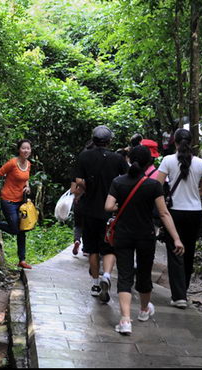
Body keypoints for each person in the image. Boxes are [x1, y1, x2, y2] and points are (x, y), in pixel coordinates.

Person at [105, 144, 185, 335]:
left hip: (123, 235)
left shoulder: (118, 182)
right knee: (144, 273)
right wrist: (176, 239)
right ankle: (143, 310)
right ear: (150, 162)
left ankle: (125, 320)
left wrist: (120, 205)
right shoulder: (153, 185)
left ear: (129, 160)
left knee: (124, 276)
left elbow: (108, 206)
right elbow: (164, 214)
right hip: (145, 236)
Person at [153, 127, 202, 308]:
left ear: (175, 142)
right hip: (195, 213)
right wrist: (194, 194)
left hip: (174, 212)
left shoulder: (168, 161)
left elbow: (157, 185)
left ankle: (179, 296)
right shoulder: (201, 163)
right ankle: (183, 289)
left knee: (175, 251)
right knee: (189, 251)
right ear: (191, 142)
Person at [73, 125, 126, 303]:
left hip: (89, 210)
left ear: (93, 139)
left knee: (92, 249)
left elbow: (79, 180)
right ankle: (107, 275)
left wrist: (89, 186)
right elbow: (125, 179)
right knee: (109, 246)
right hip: (110, 210)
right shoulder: (117, 158)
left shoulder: (84, 156)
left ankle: (95, 283)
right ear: (109, 140)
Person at [0, 139, 34, 270]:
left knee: (22, 230)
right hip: (8, 200)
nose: (26, 150)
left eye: (28, 148)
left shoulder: (28, 164)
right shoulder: (12, 163)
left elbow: (26, 180)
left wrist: (27, 188)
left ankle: (22, 260)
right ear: (19, 150)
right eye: (23, 148)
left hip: (21, 202)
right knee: (16, 229)